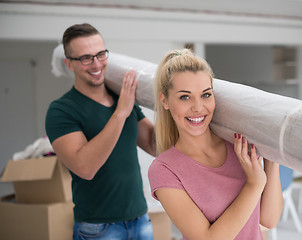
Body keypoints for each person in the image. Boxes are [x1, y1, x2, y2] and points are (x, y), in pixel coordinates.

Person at [148, 49, 283, 240]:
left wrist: (272, 155)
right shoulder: (164, 169)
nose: (198, 107)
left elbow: (269, 220)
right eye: (185, 97)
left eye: (205, 95)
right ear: (165, 101)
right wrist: (254, 184)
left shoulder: (239, 147)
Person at [45, 23, 156, 240]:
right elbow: (85, 168)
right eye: (86, 58)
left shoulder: (121, 99)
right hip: (98, 228)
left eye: (101, 54)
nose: (96, 64)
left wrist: (174, 108)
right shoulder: (61, 110)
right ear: (69, 64)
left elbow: (154, 145)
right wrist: (120, 113)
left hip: (140, 219)